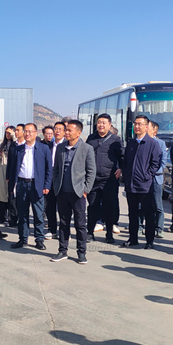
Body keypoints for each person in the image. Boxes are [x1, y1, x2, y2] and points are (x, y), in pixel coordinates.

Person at [51, 120, 96, 263]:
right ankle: (62, 250)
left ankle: (81, 252)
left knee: (80, 224)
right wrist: (56, 185)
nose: (66, 133)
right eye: (66, 130)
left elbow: (91, 171)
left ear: (78, 133)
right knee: (63, 223)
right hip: (62, 192)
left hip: (78, 193)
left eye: (70, 130)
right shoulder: (61, 147)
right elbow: (56, 169)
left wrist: (86, 190)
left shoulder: (86, 148)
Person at [7, 123, 52, 250]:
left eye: (30, 131)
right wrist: (11, 186)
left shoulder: (43, 149)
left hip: (36, 184)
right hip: (21, 184)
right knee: (22, 214)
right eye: (25, 131)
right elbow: (11, 168)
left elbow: (49, 169)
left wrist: (47, 185)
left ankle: (39, 239)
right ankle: (23, 239)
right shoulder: (18, 149)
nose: (27, 134)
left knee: (38, 214)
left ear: (36, 133)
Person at [120, 115, 161, 249]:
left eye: (140, 124)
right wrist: (126, 176)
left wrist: (146, 176)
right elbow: (125, 161)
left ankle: (149, 240)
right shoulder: (131, 143)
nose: (137, 127)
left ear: (146, 126)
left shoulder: (152, 143)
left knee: (149, 214)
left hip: (145, 185)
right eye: (135, 124)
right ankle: (133, 238)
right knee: (132, 213)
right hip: (131, 184)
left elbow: (155, 163)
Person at [85, 113, 123, 243]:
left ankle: (109, 234)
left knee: (109, 207)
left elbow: (122, 157)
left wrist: (121, 169)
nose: (101, 125)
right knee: (92, 206)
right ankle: (90, 232)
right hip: (93, 179)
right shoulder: (91, 139)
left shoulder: (116, 140)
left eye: (104, 123)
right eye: (99, 122)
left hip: (109, 179)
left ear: (109, 125)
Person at [44, 121, 66, 240]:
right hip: (50, 178)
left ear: (64, 132)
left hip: (62, 179)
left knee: (63, 207)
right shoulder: (48, 146)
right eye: (55, 129)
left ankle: (64, 231)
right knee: (50, 206)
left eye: (60, 129)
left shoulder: (67, 145)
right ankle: (52, 229)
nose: (57, 131)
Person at [149, 121, 167, 238]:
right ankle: (141, 226)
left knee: (157, 205)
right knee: (142, 205)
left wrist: (153, 172)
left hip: (156, 177)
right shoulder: (141, 142)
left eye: (148, 127)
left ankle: (159, 228)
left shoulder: (161, 143)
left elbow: (163, 162)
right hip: (144, 179)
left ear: (154, 131)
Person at [0, 126, 16, 234]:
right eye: (7, 133)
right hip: (2, 170)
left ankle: (12, 218)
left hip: (12, 170)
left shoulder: (15, 144)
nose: (8, 135)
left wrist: (14, 136)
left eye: (10, 133)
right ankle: (1, 217)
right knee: (1, 194)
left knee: (11, 195)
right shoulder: (2, 145)